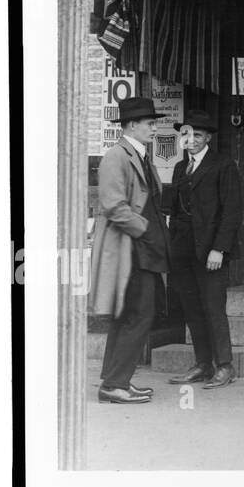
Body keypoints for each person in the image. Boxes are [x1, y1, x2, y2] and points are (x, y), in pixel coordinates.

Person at [89, 96, 169, 405]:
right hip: (130, 248)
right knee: (139, 314)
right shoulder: (116, 156)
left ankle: (115, 380)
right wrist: (146, 229)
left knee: (129, 314)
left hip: (142, 249)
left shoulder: (139, 155)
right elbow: (113, 206)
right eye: (150, 123)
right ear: (132, 125)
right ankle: (115, 384)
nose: (154, 128)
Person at [166, 109, 243, 389]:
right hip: (183, 250)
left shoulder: (223, 165)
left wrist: (219, 249)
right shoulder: (179, 168)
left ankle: (224, 366)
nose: (192, 140)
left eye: (198, 135)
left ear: (208, 137)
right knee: (192, 308)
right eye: (187, 134)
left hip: (210, 251)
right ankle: (202, 364)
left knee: (213, 308)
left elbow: (232, 210)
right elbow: (174, 211)